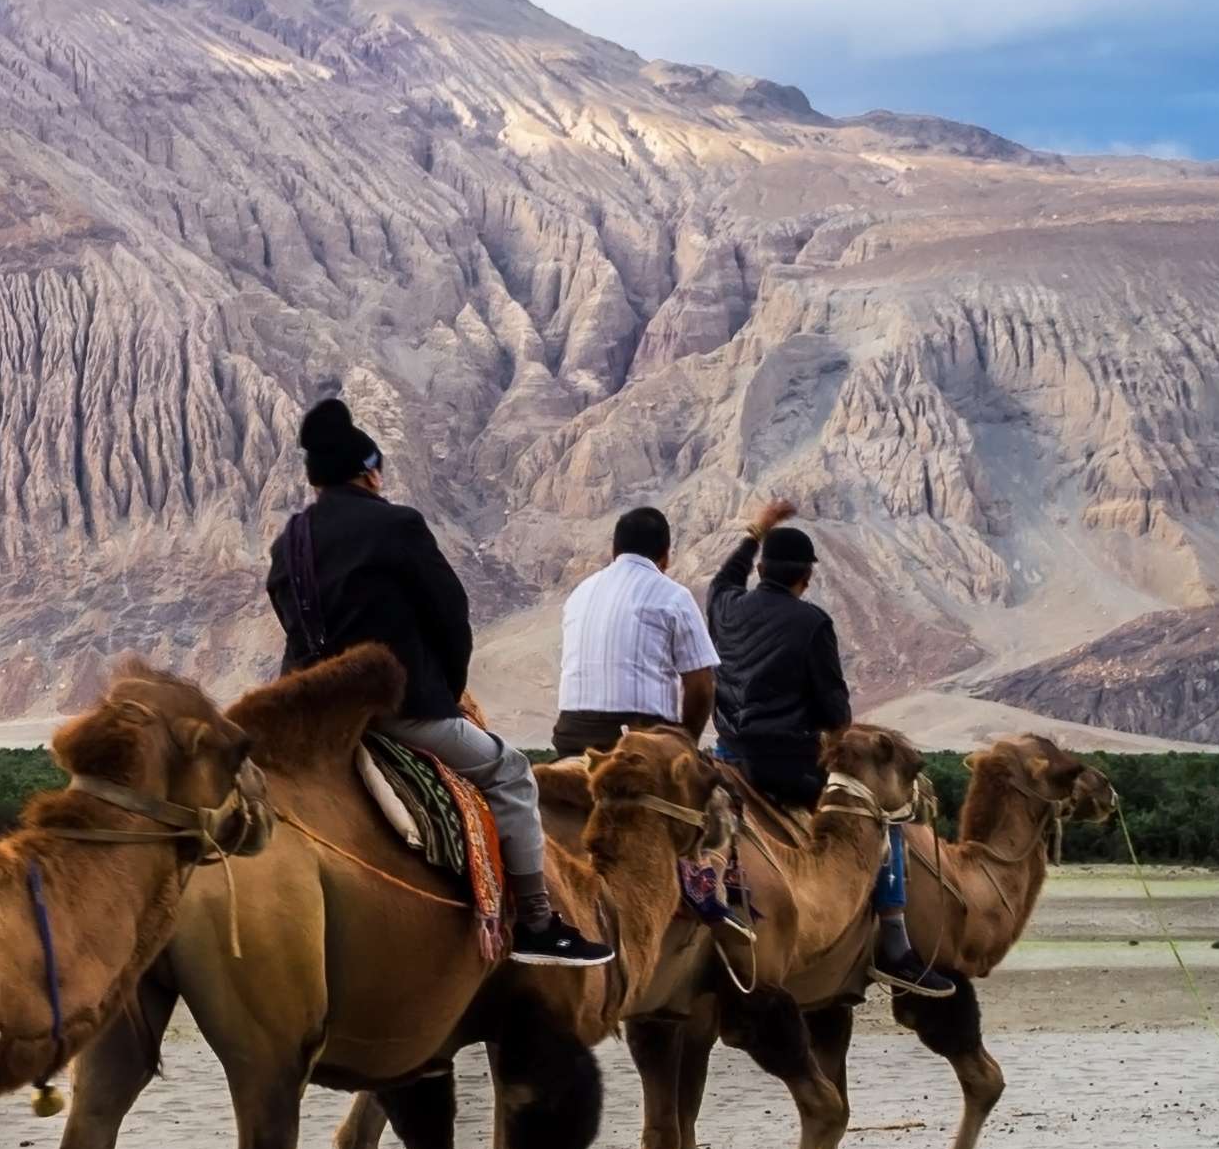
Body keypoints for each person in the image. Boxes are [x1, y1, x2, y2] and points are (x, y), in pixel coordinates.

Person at [265, 397, 611, 967]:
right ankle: (537, 922)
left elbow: (293, 628)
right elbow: (450, 615)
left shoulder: (288, 545)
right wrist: (444, 693)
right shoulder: (397, 524)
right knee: (512, 772)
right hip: (398, 711)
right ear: (369, 471)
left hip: (309, 720)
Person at [706, 494, 953, 993]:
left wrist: (756, 529)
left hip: (728, 758)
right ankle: (896, 941)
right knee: (883, 822)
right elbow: (835, 713)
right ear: (806, 578)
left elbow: (723, 580)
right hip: (789, 768)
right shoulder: (812, 622)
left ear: (761, 569)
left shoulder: (725, 606)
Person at [551, 506, 717, 760]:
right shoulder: (674, 596)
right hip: (641, 741)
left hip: (572, 737)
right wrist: (687, 744)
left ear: (615, 551)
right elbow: (701, 685)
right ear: (666, 557)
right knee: (725, 793)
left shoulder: (579, 593)